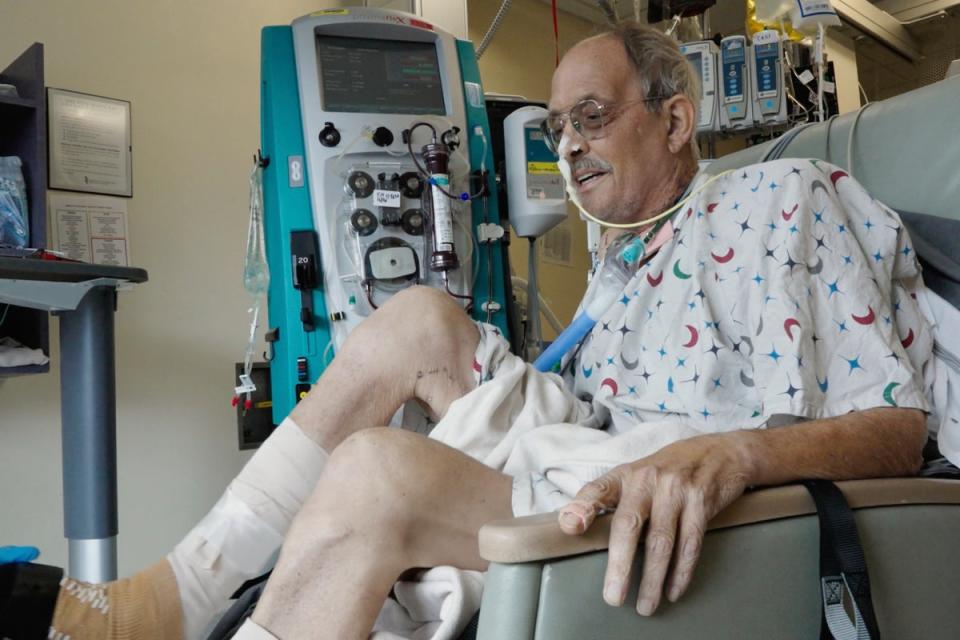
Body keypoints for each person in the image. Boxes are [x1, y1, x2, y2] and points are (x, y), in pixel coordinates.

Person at [8, 20, 932, 640]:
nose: (567, 145)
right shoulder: (625, 263)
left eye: (592, 118)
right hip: (589, 442)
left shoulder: (784, 197)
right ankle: (174, 596)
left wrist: (735, 455)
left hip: (670, 492)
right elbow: (571, 403)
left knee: (374, 473)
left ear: (677, 120)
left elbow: (897, 429)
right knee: (413, 316)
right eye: (559, 126)